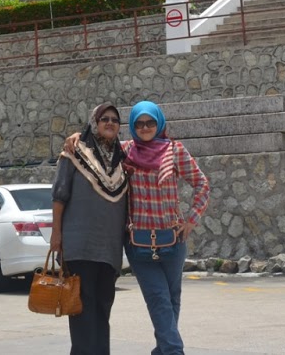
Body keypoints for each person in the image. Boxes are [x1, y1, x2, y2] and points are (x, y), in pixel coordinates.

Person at [70, 100, 210, 355]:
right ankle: (173, 351)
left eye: (150, 122)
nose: (145, 127)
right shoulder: (125, 152)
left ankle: (163, 349)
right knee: (159, 301)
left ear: (159, 123)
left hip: (172, 242)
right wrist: (77, 136)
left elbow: (202, 184)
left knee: (171, 302)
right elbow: (96, 144)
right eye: (139, 123)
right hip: (139, 245)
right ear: (133, 127)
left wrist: (192, 220)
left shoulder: (174, 151)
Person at [50, 102, 129, 355]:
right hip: (80, 247)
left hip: (108, 250)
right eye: (103, 118)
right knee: (82, 311)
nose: (109, 123)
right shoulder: (74, 153)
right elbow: (59, 195)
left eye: (114, 120)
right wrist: (56, 235)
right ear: (94, 123)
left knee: (103, 310)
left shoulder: (122, 160)